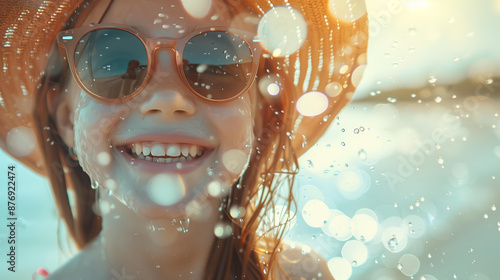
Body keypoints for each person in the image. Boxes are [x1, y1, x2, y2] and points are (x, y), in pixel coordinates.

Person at [0, 0, 368, 279]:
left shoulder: (301, 273)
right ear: (65, 118)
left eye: (217, 62)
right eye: (113, 59)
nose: (167, 100)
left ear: (260, 116)